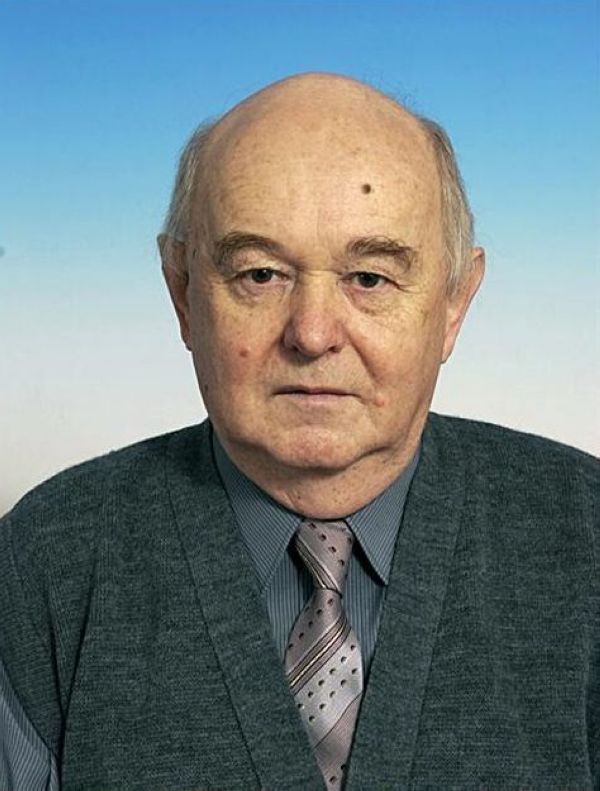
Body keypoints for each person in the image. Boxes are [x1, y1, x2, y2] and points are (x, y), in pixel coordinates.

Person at [0, 72, 598, 791]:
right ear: (183, 293)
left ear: (454, 303)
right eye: (260, 274)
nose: (312, 334)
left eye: (369, 278)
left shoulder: (588, 535)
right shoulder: (43, 564)